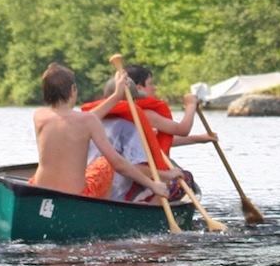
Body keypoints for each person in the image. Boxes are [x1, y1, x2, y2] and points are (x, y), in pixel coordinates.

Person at [28, 62, 175, 199]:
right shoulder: (87, 121)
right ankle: (106, 207)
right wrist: (152, 185)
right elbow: (118, 164)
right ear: (73, 90)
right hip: (78, 195)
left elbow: (77, 119)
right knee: (105, 162)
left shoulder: (39, 116)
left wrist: (116, 96)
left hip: (39, 188)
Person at [82, 59, 216, 202]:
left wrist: (199, 139)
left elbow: (154, 143)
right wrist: (166, 175)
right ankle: (151, 207)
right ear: (134, 99)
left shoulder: (88, 121)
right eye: (151, 84)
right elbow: (134, 167)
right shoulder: (131, 126)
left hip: (90, 187)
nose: (155, 88)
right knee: (185, 179)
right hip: (118, 193)